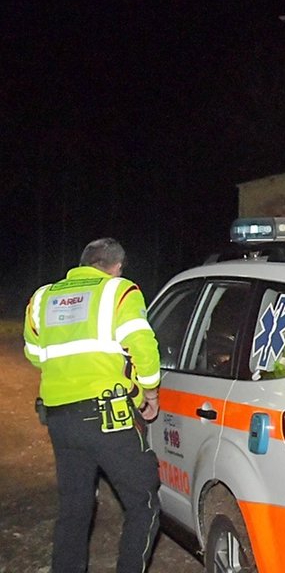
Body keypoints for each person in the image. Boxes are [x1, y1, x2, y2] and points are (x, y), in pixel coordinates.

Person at [24, 238, 162, 573]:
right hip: (107, 418)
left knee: (74, 510)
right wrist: (150, 392)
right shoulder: (119, 291)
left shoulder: (42, 297)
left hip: (59, 419)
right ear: (116, 266)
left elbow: (34, 354)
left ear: (84, 262)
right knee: (143, 503)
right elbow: (143, 346)